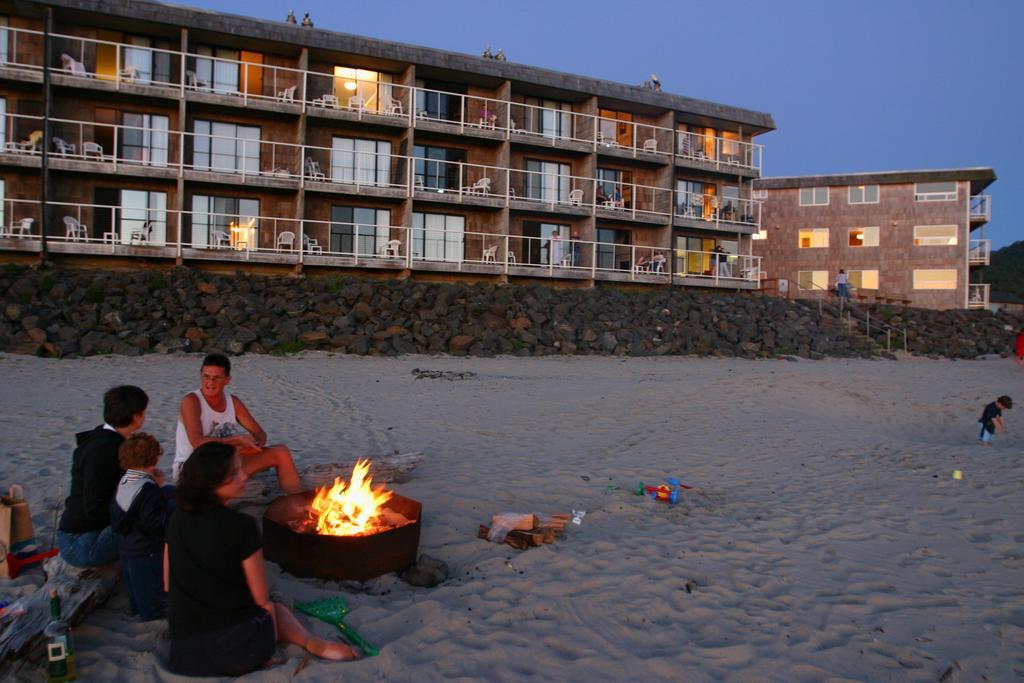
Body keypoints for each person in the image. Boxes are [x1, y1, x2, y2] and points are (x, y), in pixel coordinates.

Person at [166, 443, 358, 676]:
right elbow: (261, 599)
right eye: (234, 474)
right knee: (276, 609)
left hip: (184, 655)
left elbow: (168, 583)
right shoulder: (241, 526)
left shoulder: (176, 518)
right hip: (239, 653)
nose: (243, 475)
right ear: (214, 483)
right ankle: (310, 642)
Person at [175, 354, 300, 493]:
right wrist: (235, 441)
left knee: (281, 452)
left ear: (227, 380)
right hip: (192, 469)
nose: (210, 382)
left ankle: (294, 503)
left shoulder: (232, 402)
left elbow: (260, 433)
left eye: (216, 378)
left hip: (225, 464)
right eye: (206, 376)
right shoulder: (191, 401)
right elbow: (197, 442)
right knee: (232, 474)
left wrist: (254, 445)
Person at [57, 385, 149, 568]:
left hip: (89, 532)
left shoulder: (107, 440)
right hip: (81, 542)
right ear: (136, 416)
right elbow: (95, 508)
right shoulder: (103, 450)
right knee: (154, 520)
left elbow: (113, 485)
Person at [110, 433, 170, 621]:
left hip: (127, 546)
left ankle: (138, 609)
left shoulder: (125, 479)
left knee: (136, 586)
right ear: (154, 458)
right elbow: (153, 523)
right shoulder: (147, 490)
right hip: (145, 550)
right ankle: (150, 615)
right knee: (150, 589)